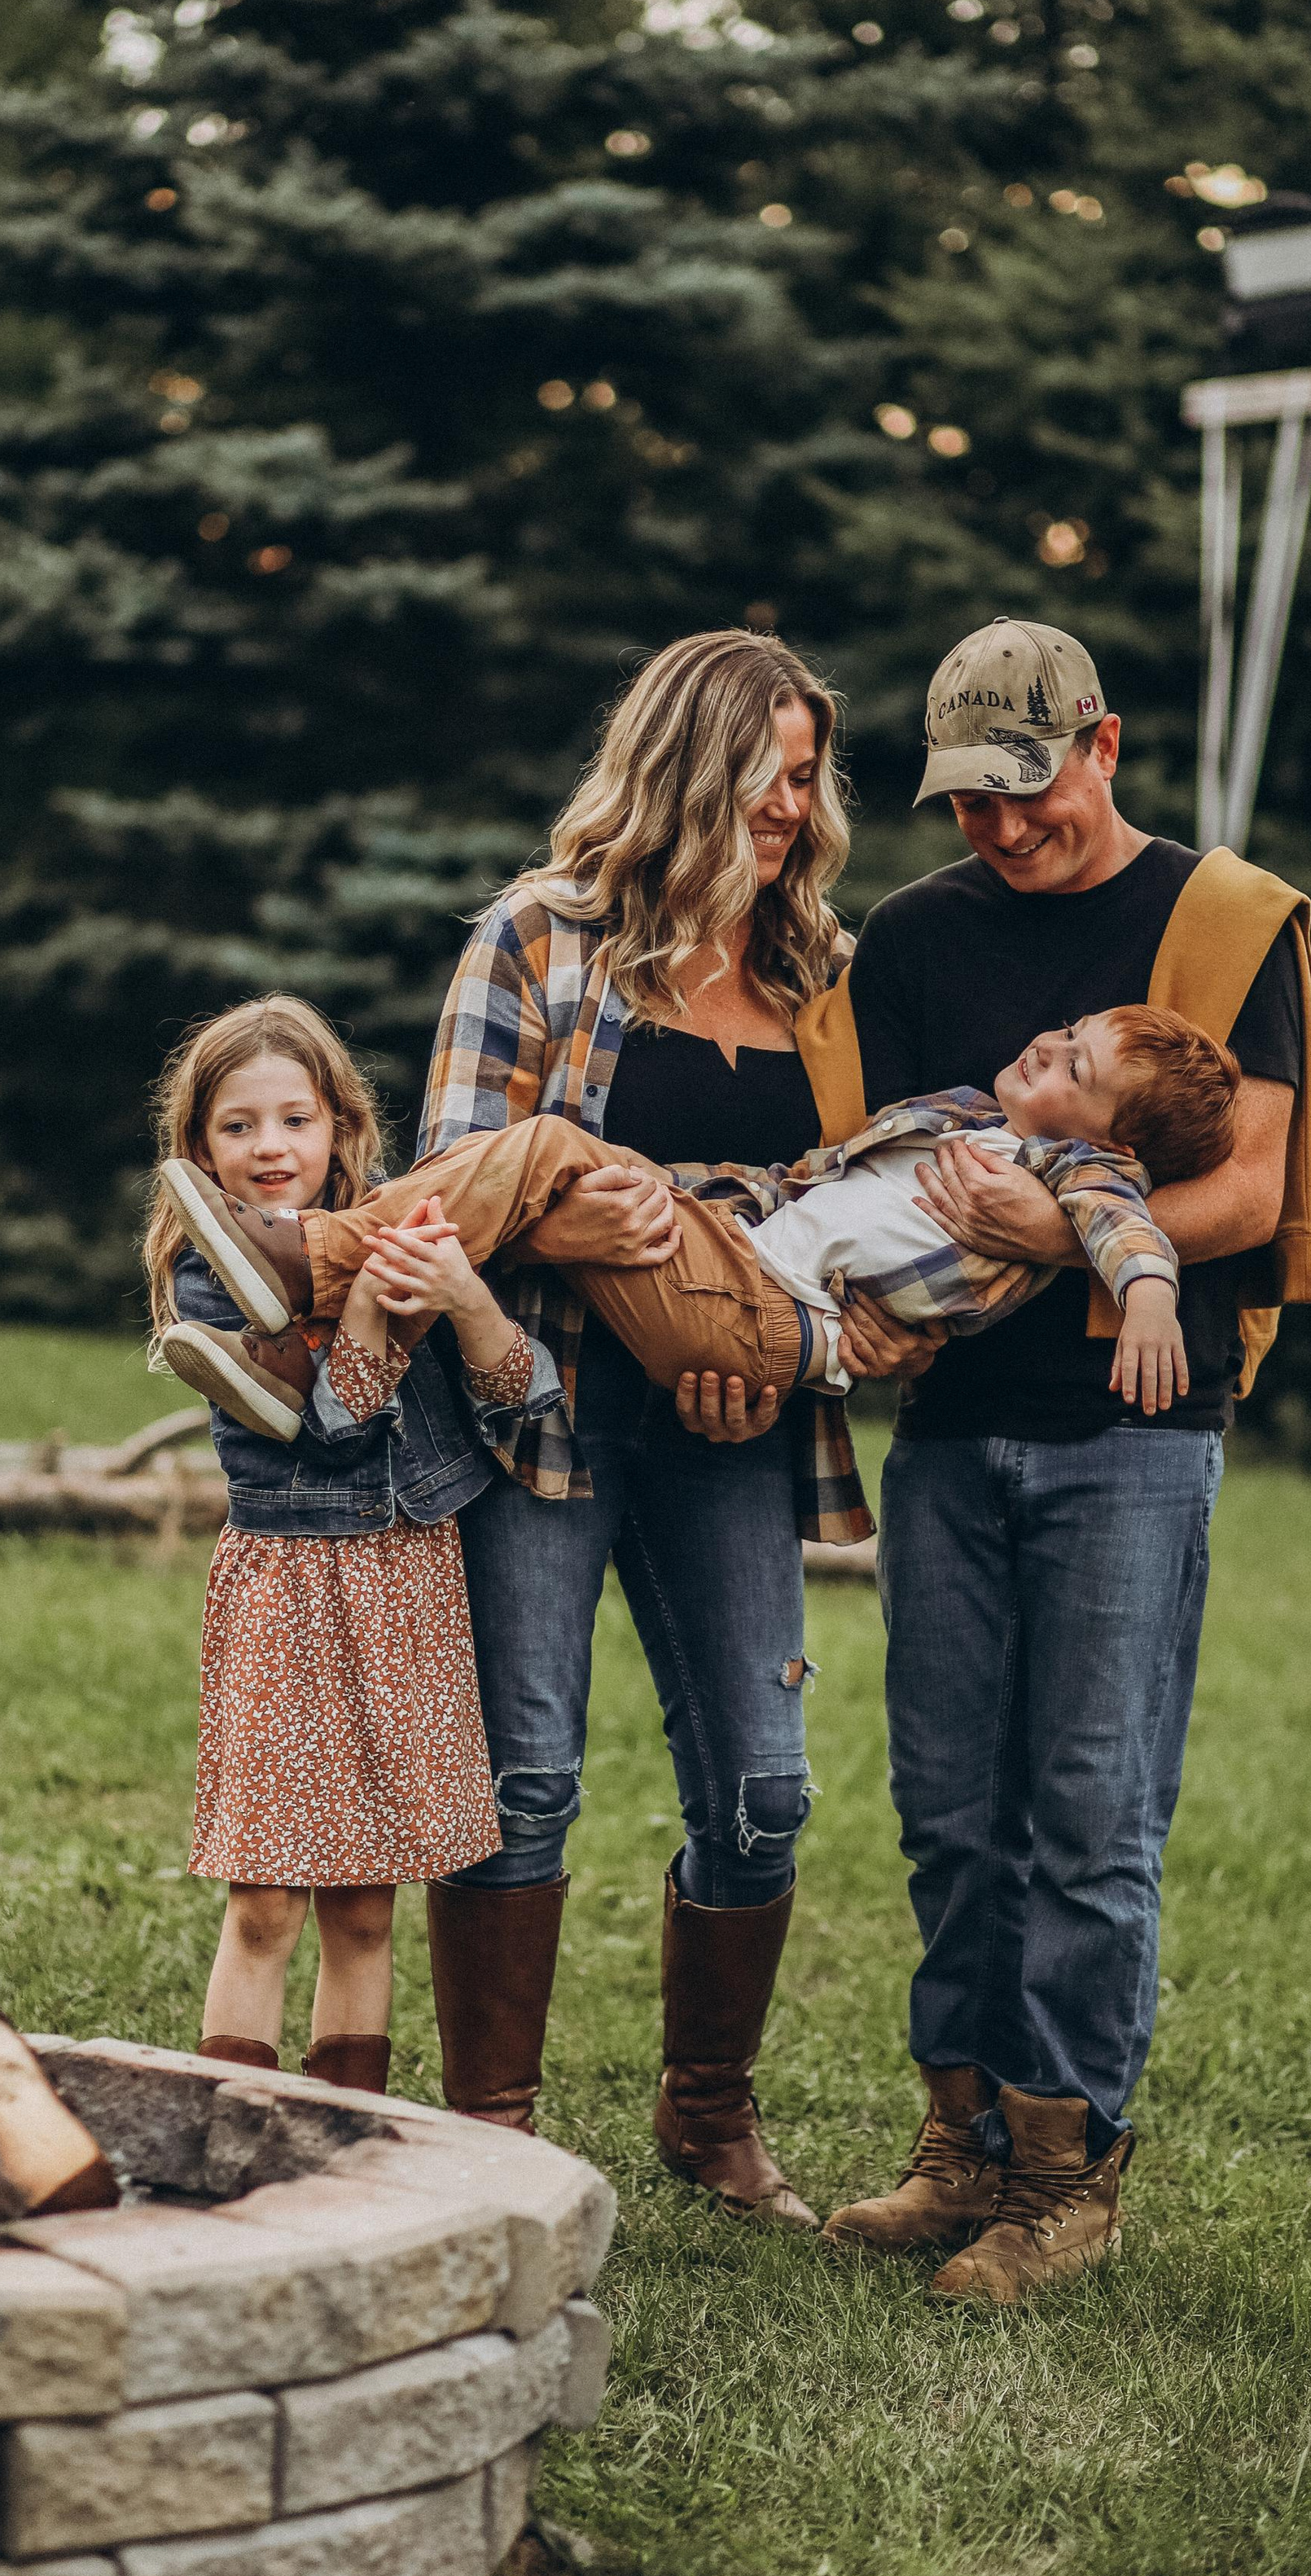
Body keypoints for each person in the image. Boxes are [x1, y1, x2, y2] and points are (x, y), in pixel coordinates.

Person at [811, 617, 1311, 2304]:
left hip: (1130, 1435)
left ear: (1101, 745)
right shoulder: (913, 937)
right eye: (970, 799)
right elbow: (885, 1176)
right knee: (951, 1814)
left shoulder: (1222, 924)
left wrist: (1062, 1232)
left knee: (1089, 1818)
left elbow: (1249, 1186)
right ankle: (957, 2148)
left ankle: (1063, 2174)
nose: (1003, 826)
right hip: (953, 1433)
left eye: (1028, 789)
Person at [390, 627, 920, 2227]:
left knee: (765, 1790)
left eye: (806, 779)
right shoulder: (537, 940)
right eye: (764, 773)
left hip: (738, 1429)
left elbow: (865, 1196)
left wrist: (711, 1285)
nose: (789, 806)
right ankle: (493, 2134)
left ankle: (707, 2114)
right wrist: (649, 1236)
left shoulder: (822, 975)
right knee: (526, 1782)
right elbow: (455, 1184)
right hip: (536, 1417)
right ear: (684, 762)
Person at [154, 1001, 1242, 1429]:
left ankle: (311, 1264)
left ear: (1114, 1143)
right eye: (1069, 1031)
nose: (1048, 1044)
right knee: (554, 1151)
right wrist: (650, 1184)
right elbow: (794, 1184)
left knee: (541, 1151)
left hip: (768, 1317)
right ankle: (303, 1345)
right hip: (733, 1260)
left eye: (1077, 1066)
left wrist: (1149, 1298)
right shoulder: (965, 1119)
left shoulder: (1073, 1175)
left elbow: (1125, 1229)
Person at [144, 995, 562, 2093]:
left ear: (341, 1127)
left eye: (295, 1120)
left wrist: (460, 1298)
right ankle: (236, 2125)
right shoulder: (207, 1275)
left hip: (407, 1583)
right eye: (238, 1128)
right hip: (287, 1586)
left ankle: (342, 2135)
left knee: (368, 1905)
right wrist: (371, 1315)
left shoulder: (400, 1232)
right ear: (201, 1151)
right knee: (265, 1898)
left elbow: (526, 1401)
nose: (270, 1147)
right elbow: (334, 1434)